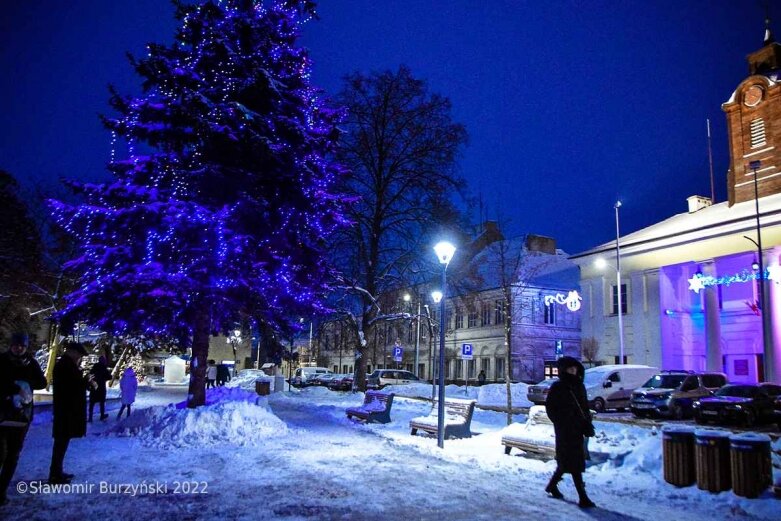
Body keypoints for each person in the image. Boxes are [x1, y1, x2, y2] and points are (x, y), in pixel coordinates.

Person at [0, 333, 47, 506]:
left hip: (22, 416)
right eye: (16, 345)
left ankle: (1, 491)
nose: (18, 348)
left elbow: (42, 382)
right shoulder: (2, 360)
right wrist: (13, 387)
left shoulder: (31, 363)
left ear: (26, 347)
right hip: (2, 413)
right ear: (11, 345)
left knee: (13, 454)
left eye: (22, 346)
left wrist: (27, 383)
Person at [544, 356, 596, 508]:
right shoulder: (558, 387)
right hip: (565, 430)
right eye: (570, 368)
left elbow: (584, 407)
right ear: (563, 370)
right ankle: (583, 497)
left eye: (575, 368)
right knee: (573, 463)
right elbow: (551, 408)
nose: (573, 371)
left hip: (578, 429)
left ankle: (552, 485)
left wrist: (587, 423)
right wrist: (561, 421)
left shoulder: (579, 386)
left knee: (568, 462)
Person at [50, 341, 88, 484]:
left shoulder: (67, 365)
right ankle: (55, 474)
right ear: (72, 352)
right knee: (60, 443)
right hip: (65, 411)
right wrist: (84, 382)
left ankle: (57, 471)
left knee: (62, 443)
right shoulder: (65, 366)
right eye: (78, 355)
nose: (79, 358)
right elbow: (71, 387)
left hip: (66, 411)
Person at [88, 356, 111, 422]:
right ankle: (102, 415)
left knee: (92, 403)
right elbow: (109, 377)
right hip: (101, 388)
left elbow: (90, 377)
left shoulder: (94, 367)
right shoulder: (104, 368)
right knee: (102, 403)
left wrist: (90, 384)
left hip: (94, 387)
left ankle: (90, 417)